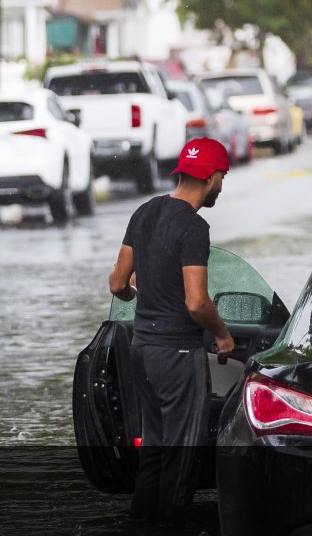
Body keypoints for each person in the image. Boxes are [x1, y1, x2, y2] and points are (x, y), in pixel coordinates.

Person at [107, 137, 236, 526]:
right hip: (177, 353)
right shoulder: (194, 227)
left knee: (155, 451)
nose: (221, 186)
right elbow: (196, 303)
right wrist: (223, 334)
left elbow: (116, 284)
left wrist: (138, 291)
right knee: (182, 454)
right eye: (223, 178)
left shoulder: (145, 212)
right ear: (212, 177)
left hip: (142, 348)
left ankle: (141, 526)